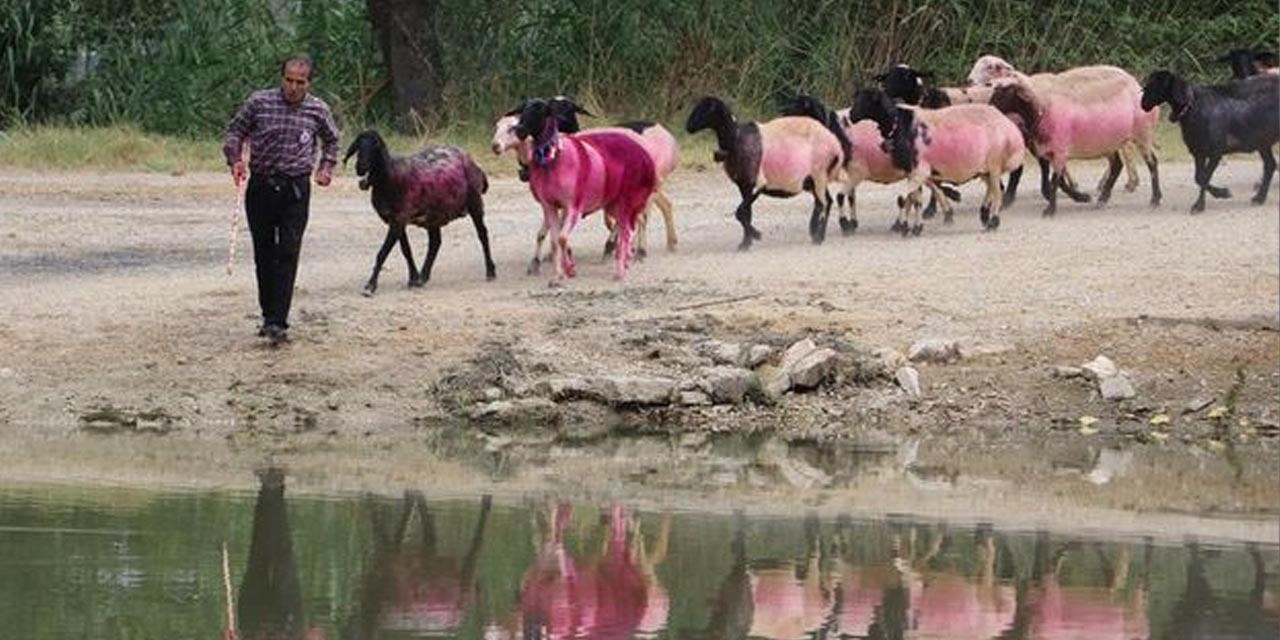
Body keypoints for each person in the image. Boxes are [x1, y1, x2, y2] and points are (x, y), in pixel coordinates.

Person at [223, 54, 339, 346]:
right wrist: (235, 159)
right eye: (288, 80)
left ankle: (278, 321)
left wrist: (325, 168)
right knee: (264, 253)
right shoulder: (259, 103)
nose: (293, 87)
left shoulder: (317, 109)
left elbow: (332, 140)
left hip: (295, 190)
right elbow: (235, 131)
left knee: (288, 252)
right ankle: (267, 314)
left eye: (300, 82)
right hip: (261, 185)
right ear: (281, 78)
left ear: (309, 83)